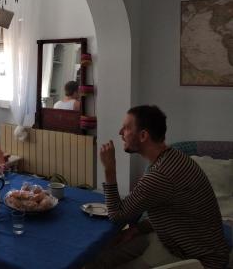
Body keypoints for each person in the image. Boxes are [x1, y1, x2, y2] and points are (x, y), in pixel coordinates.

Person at [87, 105, 229, 269]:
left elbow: (116, 214)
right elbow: (174, 212)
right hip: (170, 240)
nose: (120, 133)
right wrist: (138, 229)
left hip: (198, 260)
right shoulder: (172, 157)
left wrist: (109, 170)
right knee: (100, 258)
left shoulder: (161, 175)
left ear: (143, 135)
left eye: (126, 128)